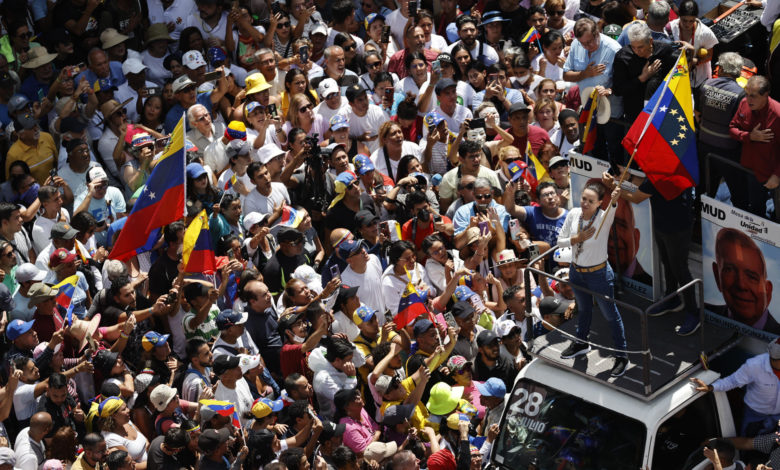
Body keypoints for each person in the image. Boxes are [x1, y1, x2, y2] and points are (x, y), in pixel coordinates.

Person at [556, 182, 628, 377]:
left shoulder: (603, 218)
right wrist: (576, 239)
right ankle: (581, 342)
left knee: (610, 314)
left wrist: (614, 199)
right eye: (584, 199)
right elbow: (559, 240)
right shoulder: (573, 214)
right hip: (576, 271)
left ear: (599, 203)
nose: (585, 203)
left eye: (591, 201)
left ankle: (622, 355)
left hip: (599, 275)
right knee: (584, 308)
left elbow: (613, 206)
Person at [692, 338, 780, 436]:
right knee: (747, 438)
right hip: (755, 414)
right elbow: (733, 381)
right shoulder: (754, 365)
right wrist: (711, 387)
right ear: (774, 358)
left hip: (778, 416)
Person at [706, 227, 778, 334]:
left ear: (768, 291)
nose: (741, 285)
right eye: (729, 270)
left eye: (752, 277)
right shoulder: (707, 314)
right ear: (717, 276)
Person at [728, 75, 780, 220]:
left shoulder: (778, 114)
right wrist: (749, 136)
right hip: (746, 169)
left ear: (766, 95)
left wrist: (777, 174)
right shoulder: (744, 103)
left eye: (753, 96)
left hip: (769, 175)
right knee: (751, 210)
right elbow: (732, 128)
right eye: (746, 94)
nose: (748, 99)